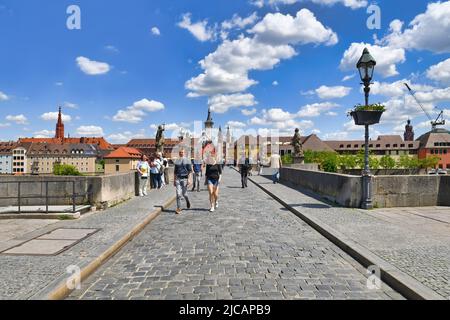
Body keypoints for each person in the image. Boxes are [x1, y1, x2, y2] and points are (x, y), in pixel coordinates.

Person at [174, 149, 192, 215]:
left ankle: (187, 200)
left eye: (182, 152)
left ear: (185, 153)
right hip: (178, 179)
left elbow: (190, 171)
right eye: (180, 152)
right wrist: (174, 180)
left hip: (184, 179)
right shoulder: (177, 161)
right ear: (179, 153)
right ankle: (179, 208)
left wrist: (189, 179)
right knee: (178, 194)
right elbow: (175, 172)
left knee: (184, 194)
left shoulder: (187, 161)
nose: (181, 153)